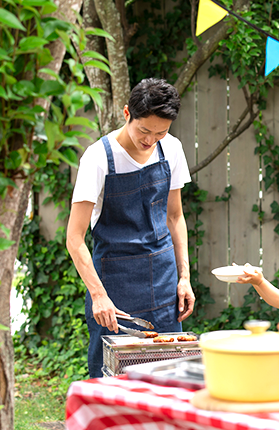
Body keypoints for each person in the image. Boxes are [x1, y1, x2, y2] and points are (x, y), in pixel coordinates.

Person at [66, 78, 195, 378]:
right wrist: (98, 295)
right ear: (127, 114)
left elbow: (175, 217)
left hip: (164, 282)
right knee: (111, 379)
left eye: (160, 132)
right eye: (144, 131)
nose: (151, 140)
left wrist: (184, 277)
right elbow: (74, 238)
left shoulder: (171, 149)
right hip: (114, 284)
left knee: (168, 377)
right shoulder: (98, 159)